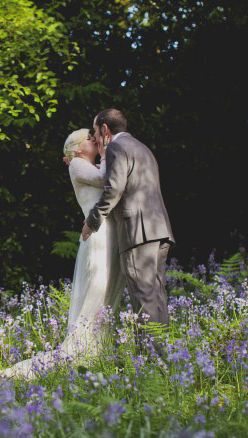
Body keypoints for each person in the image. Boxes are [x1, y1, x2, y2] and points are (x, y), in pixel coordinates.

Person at [0, 128, 126, 380]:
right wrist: (108, 150)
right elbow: (104, 178)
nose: (94, 140)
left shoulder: (82, 163)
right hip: (97, 237)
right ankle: (41, 367)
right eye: (89, 139)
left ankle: (97, 356)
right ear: (76, 149)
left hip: (106, 234)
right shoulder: (77, 164)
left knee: (104, 296)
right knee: (96, 295)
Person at [82, 108, 175, 360]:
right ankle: (168, 357)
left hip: (137, 232)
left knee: (144, 298)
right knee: (156, 295)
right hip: (160, 230)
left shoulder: (115, 148)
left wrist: (92, 221)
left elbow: (114, 190)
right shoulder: (143, 148)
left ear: (104, 129)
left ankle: (153, 363)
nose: (95, 137)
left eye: (95, 132)